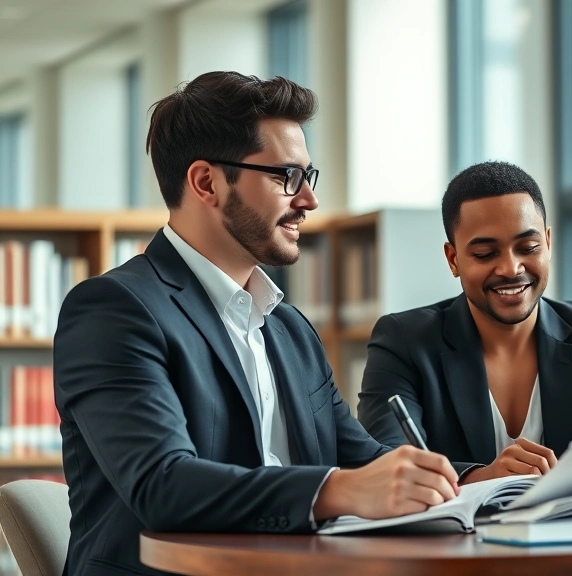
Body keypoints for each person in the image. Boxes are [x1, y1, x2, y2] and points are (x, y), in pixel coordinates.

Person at [53, 72, 459, 576]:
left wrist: (479, 480)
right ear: (207, 182)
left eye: (309, 177)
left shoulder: (289, 328)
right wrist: (335, 490)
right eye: (286, 177)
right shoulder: (113, 311)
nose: (308, 201)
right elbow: (162, 485)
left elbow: (366, 463)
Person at [357, 161, 572, 483]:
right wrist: (481, 476)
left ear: (548, 244)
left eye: (528, 247)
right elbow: (383, 461)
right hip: (453, 532)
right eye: (484, 254)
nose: (511, 268)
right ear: (453, 260)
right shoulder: (403, 341)